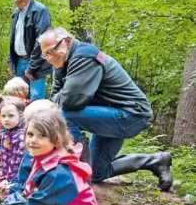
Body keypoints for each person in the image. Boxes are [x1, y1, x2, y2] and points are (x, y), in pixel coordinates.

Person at [40, 27, 173, 191]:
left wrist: (65, 95)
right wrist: (65, 94)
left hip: (131, 114)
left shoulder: (84, 56)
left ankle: (72, 175)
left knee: (65, 116)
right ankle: (155, 161)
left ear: (67, 42)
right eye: (45, 54)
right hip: (109, 113)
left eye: (51, 51)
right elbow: (56, 97)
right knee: (96, 172)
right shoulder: (61, 63)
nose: (48, 58)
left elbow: (68, 103)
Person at [8, 0, 52, 101]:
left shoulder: (40, 10)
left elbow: (41, 40)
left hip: (36, 62)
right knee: (18, 97)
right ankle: (23, 120)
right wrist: (10, 61)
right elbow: (13, 39)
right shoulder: (15, 14)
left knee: (36, 96)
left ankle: (39, 120)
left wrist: (31, 66)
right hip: (19, 61)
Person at [8, 99, 58, 195]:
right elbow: (21, 174)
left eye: (42, 135)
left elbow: (34, 195)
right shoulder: (32, 151)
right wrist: (12, 185)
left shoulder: (54, 168)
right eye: (30, 133)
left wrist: (13, 196)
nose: (33, 140)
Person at [0, 97, 26, 201]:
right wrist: (2, 171)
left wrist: (9, 181)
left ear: (20, 115)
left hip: (18, 179)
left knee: (0, 195)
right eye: (3, 116)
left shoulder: (21, 137)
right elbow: (5, 156)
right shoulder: (5, 131)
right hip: (8, 172)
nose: (6, 119)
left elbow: (17, 163)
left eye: (11, 116)